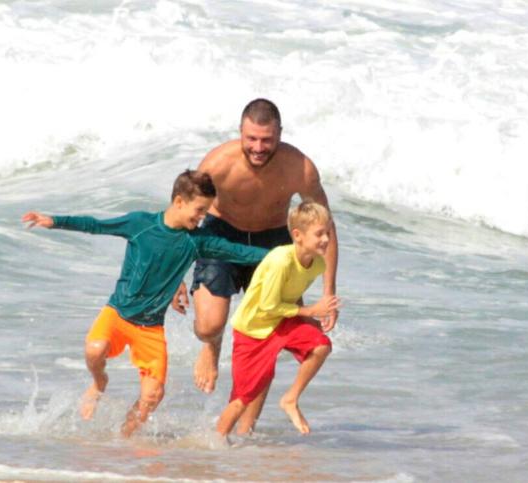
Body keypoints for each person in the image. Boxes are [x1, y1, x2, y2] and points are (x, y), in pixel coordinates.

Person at [21, 170, 268, 438]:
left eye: (206, 211)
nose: (202, 218)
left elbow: (240, 252)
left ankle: (123, 440)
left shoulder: (196, 242)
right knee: (95, 349)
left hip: (150, 328)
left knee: (153, 396)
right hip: (117, 314)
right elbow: (97, 225)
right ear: (179, 201)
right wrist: (55, 221)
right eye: (199, 210)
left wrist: (287, 254)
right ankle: (99, 383)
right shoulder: (141, 223)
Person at [170, 98, 339, 394]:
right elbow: (184, 216)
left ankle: (247, 427)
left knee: (274, 334)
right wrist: (173, 276)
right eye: (251, 139)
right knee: (209, 325)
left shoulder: (300, 168)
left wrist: (328, 292)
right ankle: (212, 346)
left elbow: (326, 226)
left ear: (280, 134)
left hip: (273, 242)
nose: (258, 148)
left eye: (267, 140)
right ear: (240, 132)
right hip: (222, 236)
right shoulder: (218, 164)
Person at [216, 201, 340, 437]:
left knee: (321, 346)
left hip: (281, 321)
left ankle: (290, 398)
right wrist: (310, 312)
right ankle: (217, 445)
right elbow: (268, 305)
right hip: (253, 329)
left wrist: (309, 322)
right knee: (243, 398)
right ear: (298, 235)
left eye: (328, 232)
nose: (326, 239)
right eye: (319, 234)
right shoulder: (280, 260)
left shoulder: (317, 263)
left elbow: (290, 296)